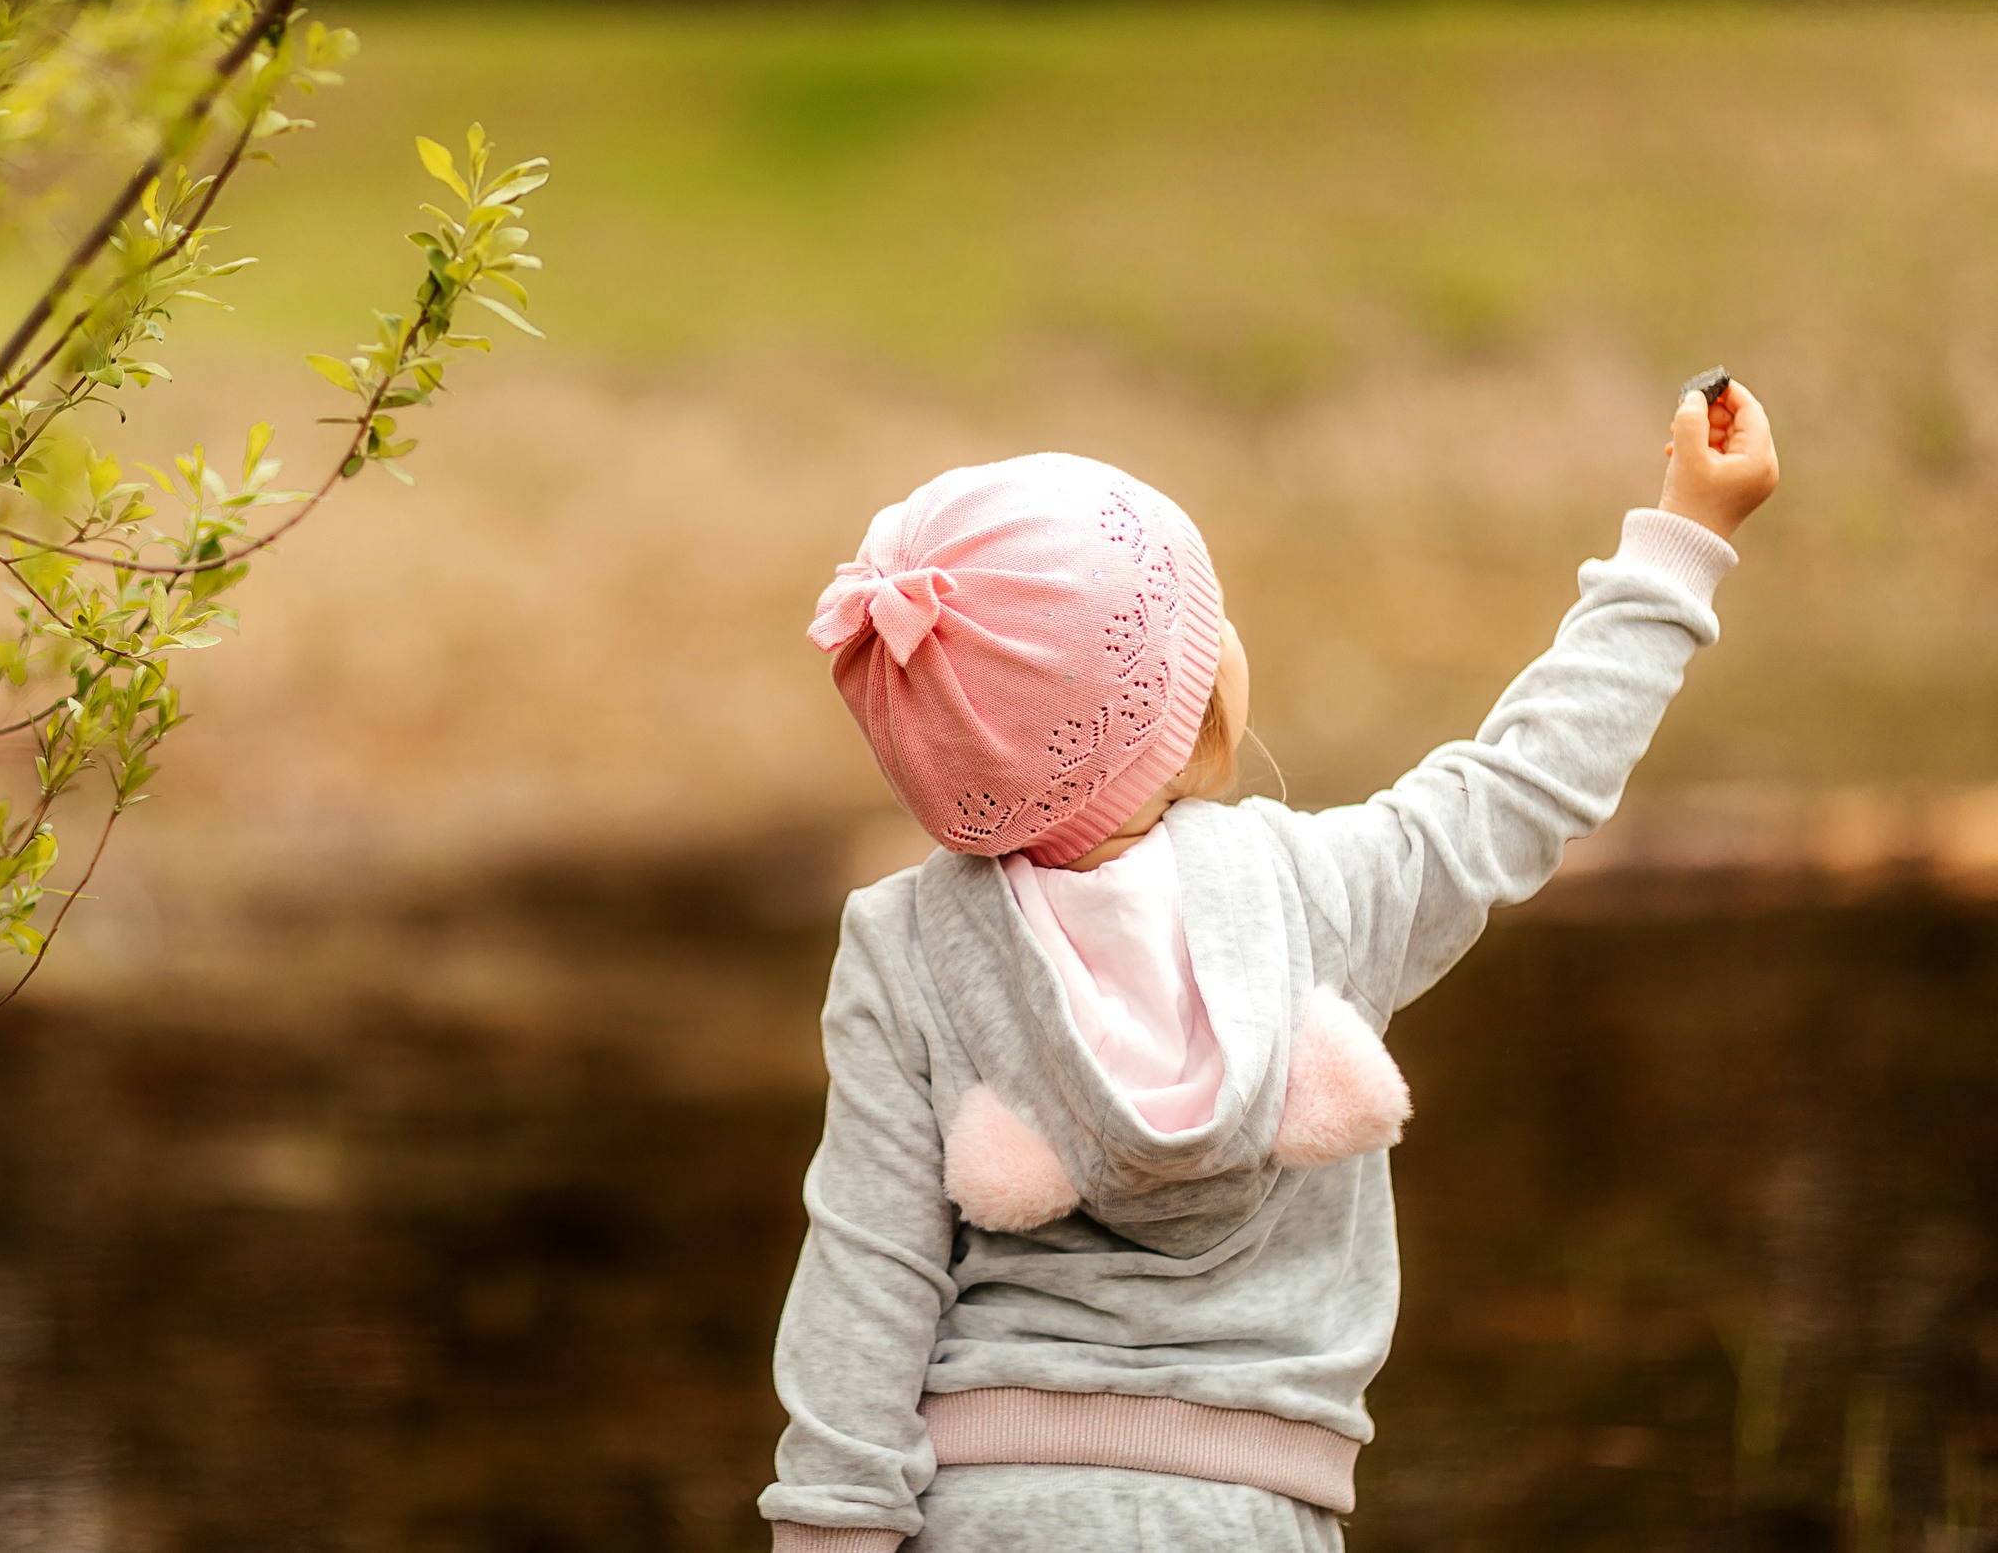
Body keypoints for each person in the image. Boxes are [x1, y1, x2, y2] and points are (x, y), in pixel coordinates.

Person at [760, 385, 1780, 1552]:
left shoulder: (903, 949)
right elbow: (1529, 779)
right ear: (1191, 711)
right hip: (1249, 1512)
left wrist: (832, 1534)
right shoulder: (1321, 894)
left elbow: (865, 1278)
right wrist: (1681, 538)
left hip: (977, 1505)